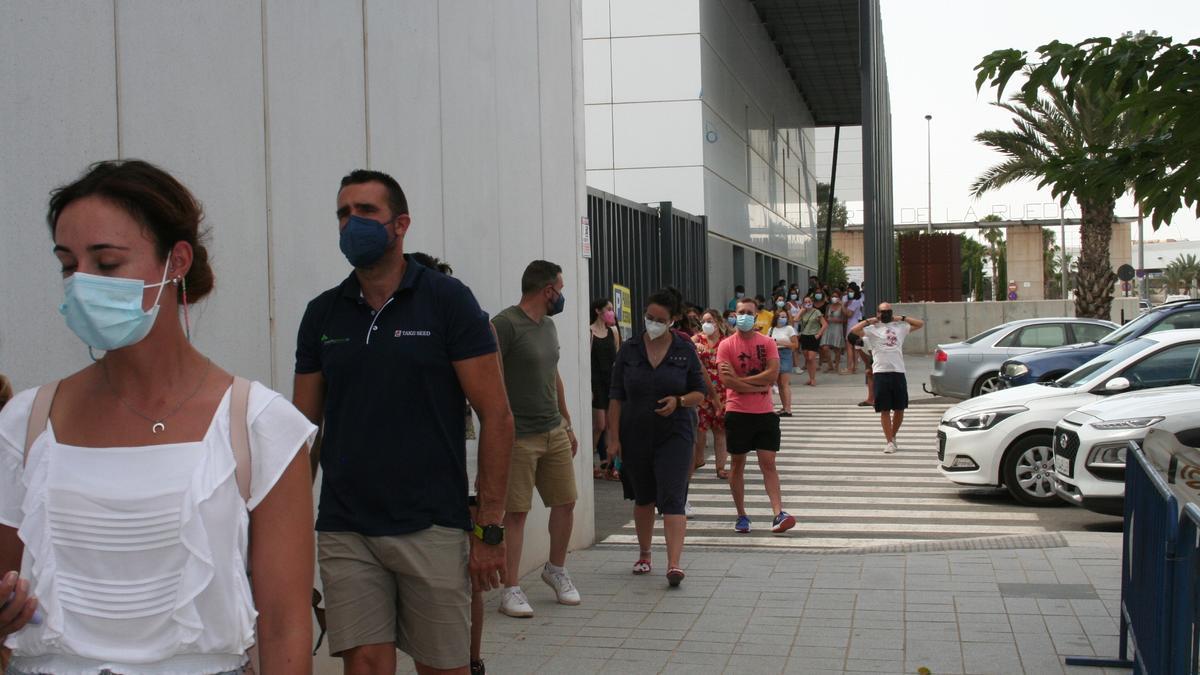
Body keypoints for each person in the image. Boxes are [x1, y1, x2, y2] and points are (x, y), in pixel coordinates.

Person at [1, 160, 316, 674]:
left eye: (105, 264)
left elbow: (284, 625)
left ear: (178, 262)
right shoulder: (25, 423)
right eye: (67, 264)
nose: (81, 283)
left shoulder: (259, 426)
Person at [293, 169, 514, 675]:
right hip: (346, 527)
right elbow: (300, 432)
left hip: (432, 523)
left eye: (366, 212)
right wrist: (285, 531)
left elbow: (498, 418)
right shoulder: (322, 314)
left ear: (400, 224)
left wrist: (489, 530)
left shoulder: (447, 301)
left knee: (443, 668)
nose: (352, 223)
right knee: (366, 665)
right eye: (343, 214)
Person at [492, 260, 581, 618]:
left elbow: (553, 374)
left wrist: (568, 422)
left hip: (553, 430)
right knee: (515, 513)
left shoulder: (548, 327)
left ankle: (555, 569)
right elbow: (490, 377)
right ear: (547, 291)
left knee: (566, 503)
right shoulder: (504, 325)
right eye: (560, 289)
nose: (561, 296)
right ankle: (510, 588)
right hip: (519, 437)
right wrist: (501, 425)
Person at [607, 288, 707, 587]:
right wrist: (614, 438)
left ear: (673, 320)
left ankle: (674, 564)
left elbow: (699, 392)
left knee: (673, 497)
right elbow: (615, 396)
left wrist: (679, 401)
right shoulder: (630, 349)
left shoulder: (684, 349)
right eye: (649, 317)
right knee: (644, 496)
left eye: (660, 319)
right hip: (635, 433)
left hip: (675, 433)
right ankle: (644, 553)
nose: (652, 323)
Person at [718, 298, 796, 535]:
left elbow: (772, 375)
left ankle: (778, 513)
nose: (744, 316)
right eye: (740, 312)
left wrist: (742, 383)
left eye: (749, 312)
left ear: (757, 315)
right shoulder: (726, 345)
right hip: (737, 411)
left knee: (768, 463)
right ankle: (741, 514)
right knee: (737, 464)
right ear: (733, 315)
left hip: (765, 412)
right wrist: (753, 384)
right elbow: (726, 381)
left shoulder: (767, 343)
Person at [850, 303, 924, 453]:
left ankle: (893, 435)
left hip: (898, 371)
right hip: (880, 372)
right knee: (884, 409)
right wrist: (869, 321)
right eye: (882, 311)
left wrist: (901, 318)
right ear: (878, 312)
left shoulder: (900, 327)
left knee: (899, 408)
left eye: (888, 311)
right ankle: (889, 441)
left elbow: (920, 324)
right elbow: (853, 331)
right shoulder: (872, 329)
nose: (885, 314)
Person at [692, 310, 731, 480]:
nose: (706, 324)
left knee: (720, 430)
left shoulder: (726, 340)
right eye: (703, 320)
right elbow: (683, 344)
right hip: (702, 391)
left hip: (722, 391)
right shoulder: (698, 338)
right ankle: (698, 459)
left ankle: (720, 467)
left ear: (717, 322)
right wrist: (695, 346)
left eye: (709, 320)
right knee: (700, 428)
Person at [589, 298, 620, 480]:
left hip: (611, 381)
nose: (611, 312)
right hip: (596, 383)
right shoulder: (590, 332)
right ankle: (590, 462)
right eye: (608, 309)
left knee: (610, 425)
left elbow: (617, 355)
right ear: (597, 311)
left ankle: (609, 465)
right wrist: (590, 387)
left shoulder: (613, 332)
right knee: (599, 425)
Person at [768, 306, 799, 416]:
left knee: (785, 383)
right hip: (774, 355)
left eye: (785, 317)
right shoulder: (771, 329)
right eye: (781, 317)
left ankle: (788, 408)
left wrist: (781, 343)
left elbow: (795, 345)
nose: (783, 319)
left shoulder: (789, 329)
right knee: (779, 383)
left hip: (785, 353)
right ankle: (784, 406)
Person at [796, 295, 827, 386]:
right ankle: (810, 378)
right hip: (804, 336)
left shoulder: (816, 312)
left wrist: (819, 334)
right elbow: (795, 319)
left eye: (809, 302)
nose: (807, 304)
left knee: (811, 357)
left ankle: (813, 379)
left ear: (812, 302)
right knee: (807, 359)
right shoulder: (803, 312)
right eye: (805, 302)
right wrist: (801, 310)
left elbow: (824, 324)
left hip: (813, 336)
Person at [820, 292, 847, 373]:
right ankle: (830, 365)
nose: (834, 298)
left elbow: (845, 319)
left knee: (837, 348)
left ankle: (836, 366)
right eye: (833, 296)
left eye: (836, 296)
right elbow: (825, 318)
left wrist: (837, 320)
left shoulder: (841, 307)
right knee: (824, 347)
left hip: (837, 328)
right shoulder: (828, 306)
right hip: (828, 328)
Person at [844, 283, 865, 374]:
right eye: (848, 291)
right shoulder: (853, 301)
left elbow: (849, 314)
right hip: (855, 324)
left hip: (852, 324)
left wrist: (842, 306)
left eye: (851, 291)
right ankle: (854, 367)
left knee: (849, 347)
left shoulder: (855, 302)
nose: (849, 293)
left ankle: (850, 368)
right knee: (855, 347)